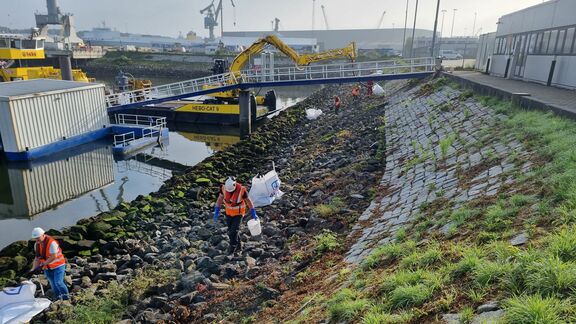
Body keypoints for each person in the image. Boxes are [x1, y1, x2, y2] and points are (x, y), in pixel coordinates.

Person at [213, 177, 258, 255]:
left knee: (234, 231)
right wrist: (216, 211)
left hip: (239, 214)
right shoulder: (223, 188)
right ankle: (239, 246)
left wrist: (253, 212)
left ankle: (232, 247)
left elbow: (248, 201)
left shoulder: (242, 190)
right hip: (228, 213)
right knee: (231, 231)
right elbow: (220, 199)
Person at [30, 227, 69, 300]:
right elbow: (37, 258)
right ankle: (58, 297)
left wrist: (42, 264)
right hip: (47, 268)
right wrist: (33, 268)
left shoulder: (52, 243)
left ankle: (66, 298)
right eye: (35, 238)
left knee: (59, 283)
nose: (37, 240)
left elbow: (54, 256)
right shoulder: (36, 245)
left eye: (38, 238)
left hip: (58, 266)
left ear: (43, 235)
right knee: (53, 284)